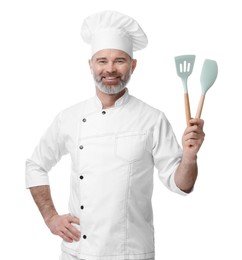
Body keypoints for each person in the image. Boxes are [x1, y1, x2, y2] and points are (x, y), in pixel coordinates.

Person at [26, 10, 205, 260]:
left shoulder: (152, 118)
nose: (110, 69)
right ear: (90, 65)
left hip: (130, 253)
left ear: (133, 65)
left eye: (119, 60)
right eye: (102, 61)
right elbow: (35, 165)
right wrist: (50, 217)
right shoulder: (69, 117)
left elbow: (181, 185)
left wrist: (189, 157)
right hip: (78, 251)